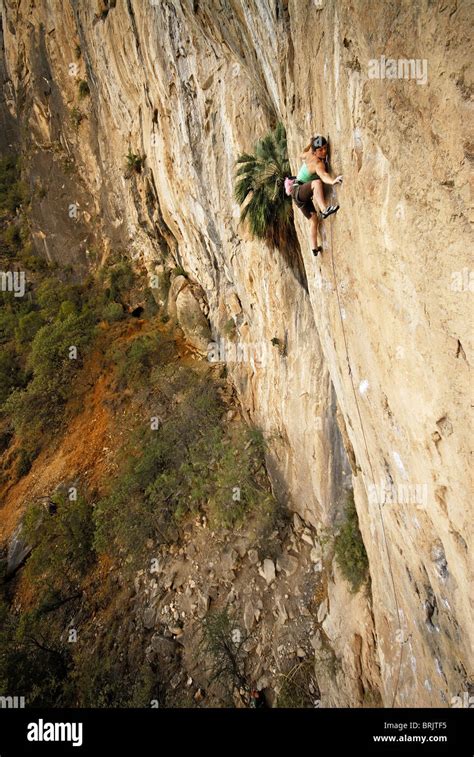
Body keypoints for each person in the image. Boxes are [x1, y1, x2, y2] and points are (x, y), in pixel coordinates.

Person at [289, 135, 343, 256]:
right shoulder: (318, 163)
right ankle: (324, 210)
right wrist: (333, 181)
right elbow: (323, 175)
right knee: (316, 183)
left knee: (314, 220)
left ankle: (314, 248)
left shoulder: (309, 154)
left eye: (325, 148)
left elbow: (301, 154)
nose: (324, 151)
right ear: (315, 152)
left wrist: (310, 143)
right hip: (298, 191)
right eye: (320, 150)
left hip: (300, 196)